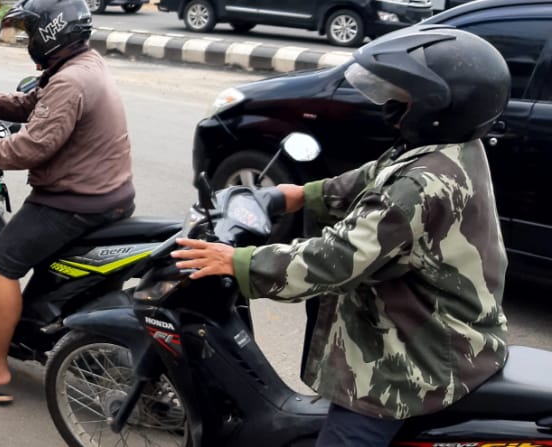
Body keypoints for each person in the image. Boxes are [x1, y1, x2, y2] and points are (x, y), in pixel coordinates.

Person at [172, 28, 510, 447]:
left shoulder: (422, 185)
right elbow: (373, 178)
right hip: (450, 330)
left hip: (413, 362)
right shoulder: (448, 151)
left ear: (436, 108)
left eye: (401, 99)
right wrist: (296, 194)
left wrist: (237, 261)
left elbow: (335, 260)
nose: (389, 107)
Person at [0, 0, 134, 403]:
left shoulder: (70, 81)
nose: (28, 38)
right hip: (108, 193)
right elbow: (31, 104)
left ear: (51, 32)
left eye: (30, 29)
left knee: (1, 264)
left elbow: (31, 147)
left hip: (74, 201)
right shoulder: (83, 64)